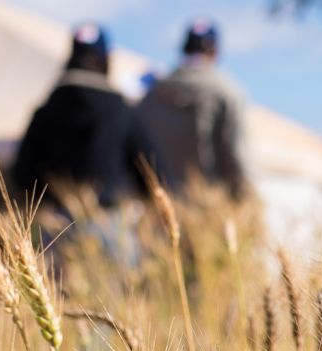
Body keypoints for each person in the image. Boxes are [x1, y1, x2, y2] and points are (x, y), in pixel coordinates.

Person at [13, 23, 157, 208]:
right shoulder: (120, 110)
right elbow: (151, 171)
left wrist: (52, 198)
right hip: (110, 221)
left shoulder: (45, 112)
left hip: (57, 226)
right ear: (106, 59)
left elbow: (22, 174)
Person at [138, 18, 247, 200]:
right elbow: (235, 155)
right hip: (207, 204)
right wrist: (246, 199)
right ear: (215, 51)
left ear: (184, 48)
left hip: (158, 204)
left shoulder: (152, 94)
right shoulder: (226, 92)